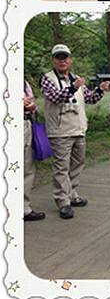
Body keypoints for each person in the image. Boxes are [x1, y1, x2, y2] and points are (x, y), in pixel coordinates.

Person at [39, 44, 110, 219]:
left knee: (77, 164)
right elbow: (55, 97)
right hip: (59, 130)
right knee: (61, 167)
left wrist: (100, 90)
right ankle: (62, 201)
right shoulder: (47, 79)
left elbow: (89, 98)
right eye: (58, 57)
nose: (62, 61)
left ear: (70, 60)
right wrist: (72, 87)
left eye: (65, 57)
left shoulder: (76, 78)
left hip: (78, 129)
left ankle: (72, 194)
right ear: (53, 60)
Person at [24, 80, 45, 222]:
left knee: (27, 168)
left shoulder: (22, 82)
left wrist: (31, 105)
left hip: (25, 123)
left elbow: (33, 104)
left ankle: (24, 208)